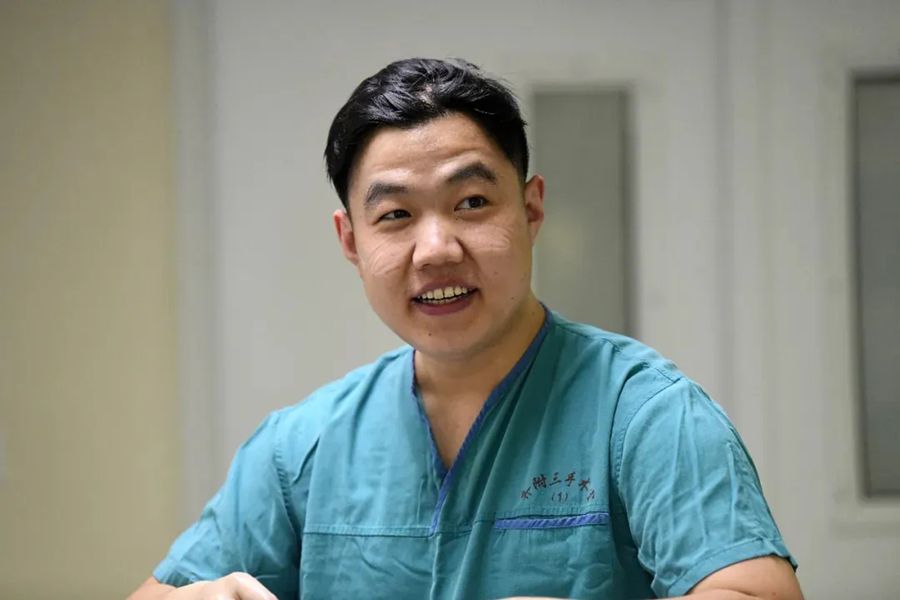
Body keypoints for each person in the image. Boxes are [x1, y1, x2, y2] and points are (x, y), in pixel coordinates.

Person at [129, 58, 803, 600]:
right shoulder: (301, 449)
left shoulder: (646, 415)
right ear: (351, 241)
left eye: (472, 202)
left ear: (531, 210)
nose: (436, 250)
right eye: (395, 215)